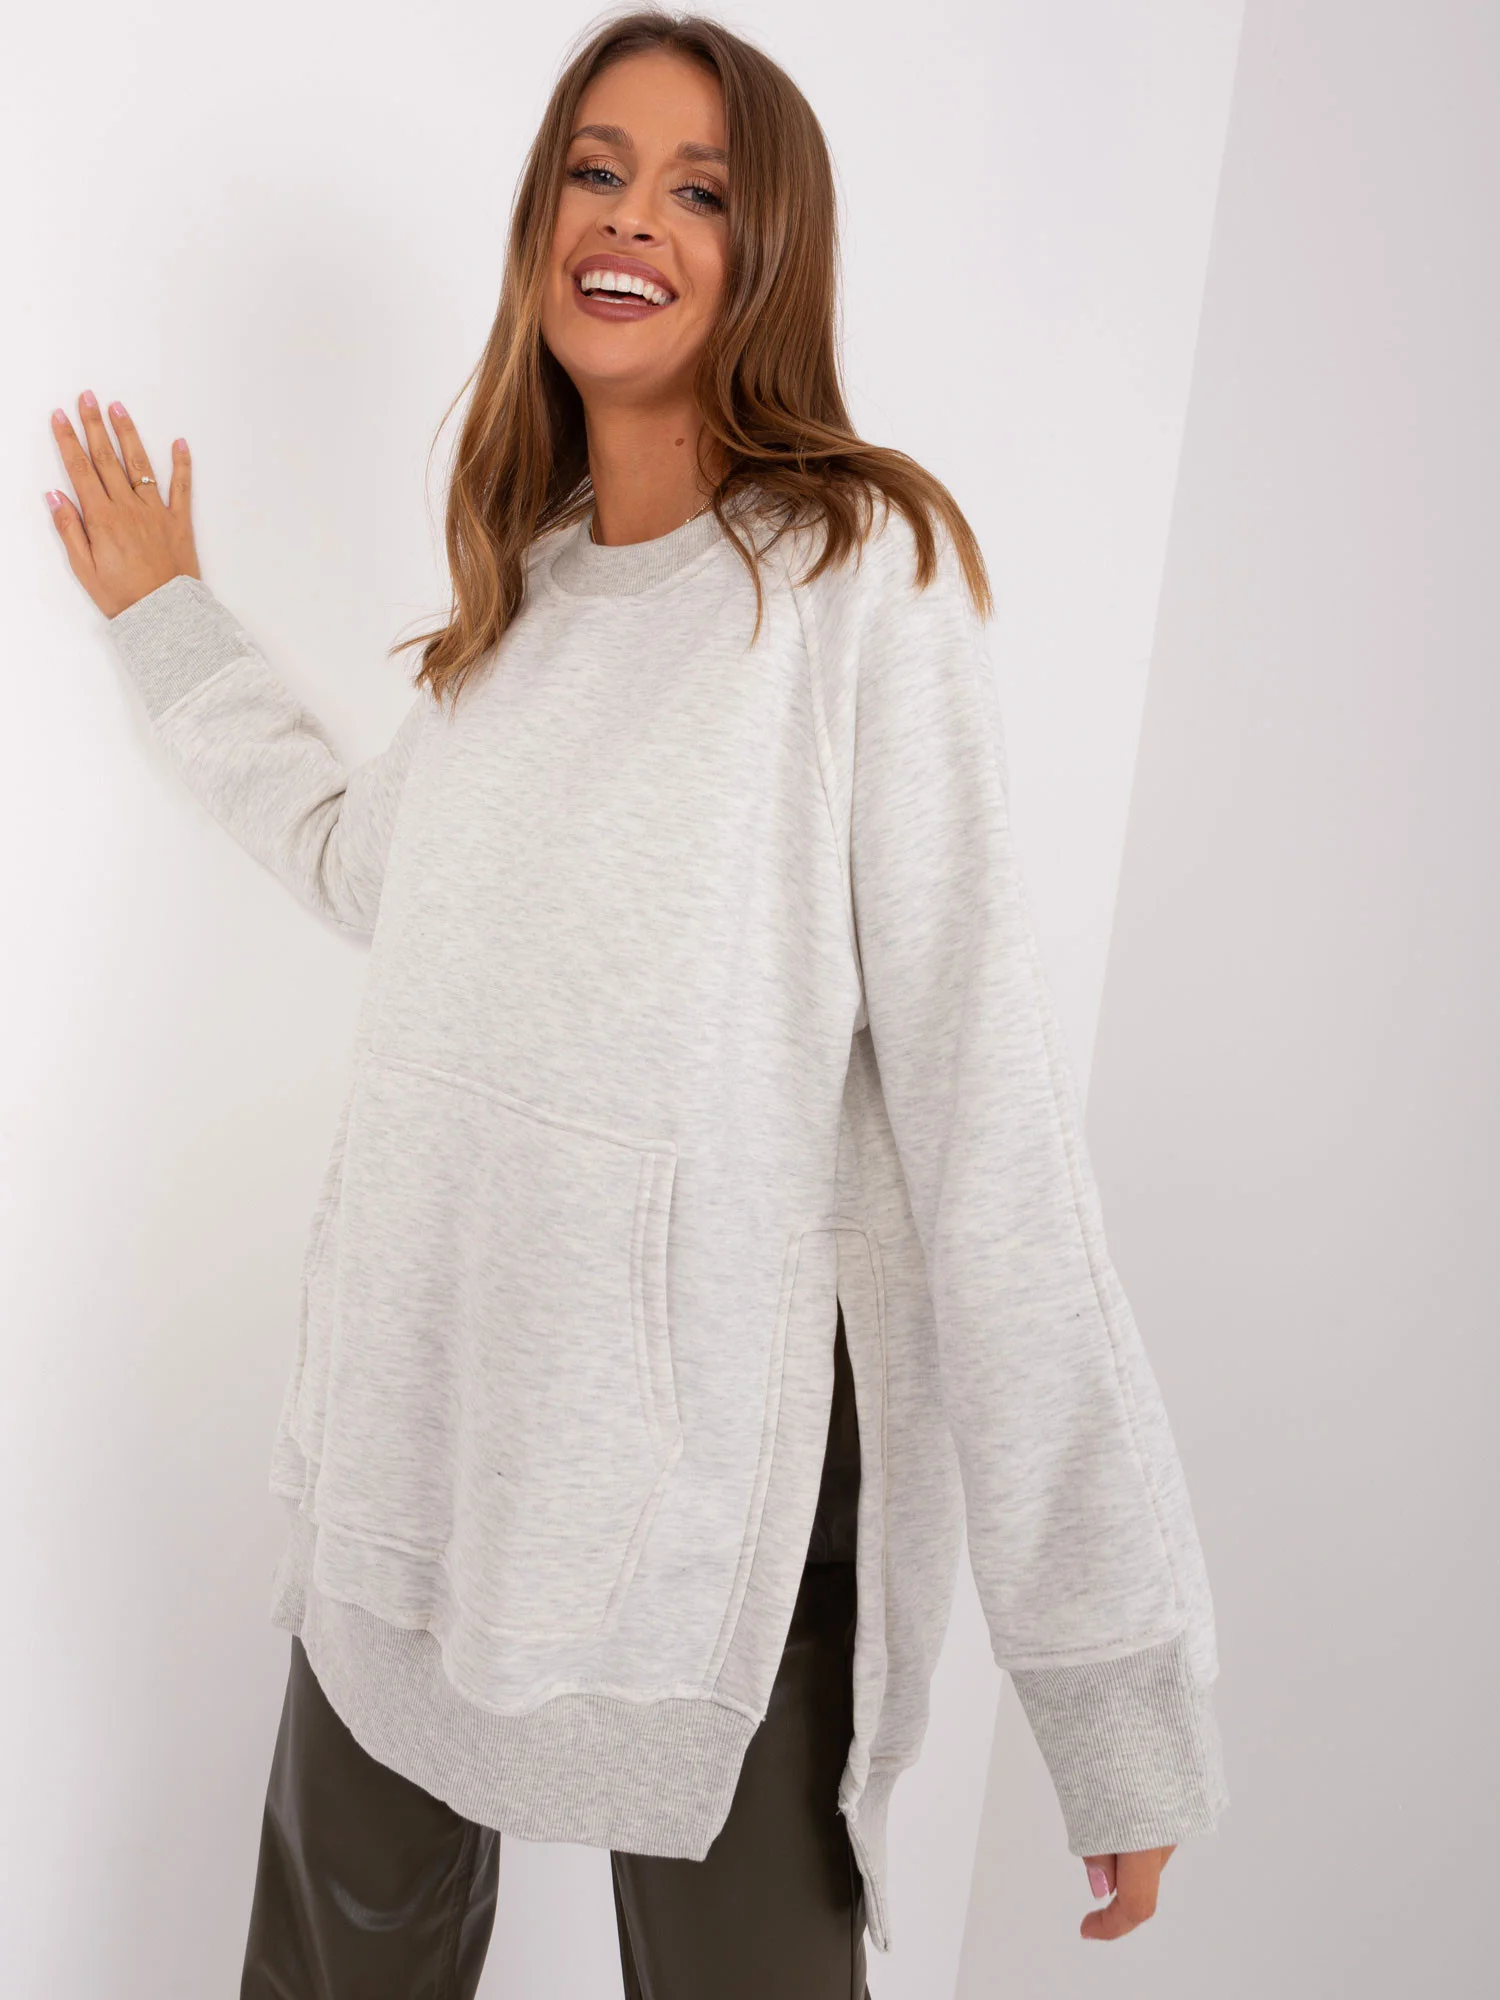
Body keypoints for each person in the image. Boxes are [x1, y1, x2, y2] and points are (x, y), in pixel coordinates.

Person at [43, 11, 1228, 1996]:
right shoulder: (520, 601)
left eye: (701, 191)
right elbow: (359, 864)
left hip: (716, 1526)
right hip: (423, 1451)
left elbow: (989, 1130)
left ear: (774, 257)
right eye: (596, 171)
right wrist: (172, 619)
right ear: (539, 224)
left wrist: (1111, 1684)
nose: (632, 220)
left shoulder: (859, 581)